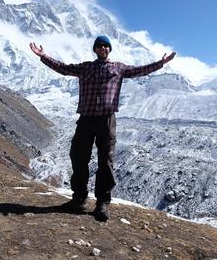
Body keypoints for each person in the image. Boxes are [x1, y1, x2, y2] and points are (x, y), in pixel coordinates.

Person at [29, 35, 176, 221]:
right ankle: (79, 199)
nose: (103, 48)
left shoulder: (119, 68)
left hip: (107, 120)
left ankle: (103, 203)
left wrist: (161, 63)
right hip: (86, 119)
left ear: (109, 49)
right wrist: (43, 56)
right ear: (95, 49)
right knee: (78, 157)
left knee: (106, 161)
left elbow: (140, 70)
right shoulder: (85, 67)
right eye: (99, 46)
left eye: (106, 46)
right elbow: (63, 69)